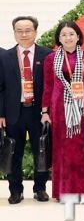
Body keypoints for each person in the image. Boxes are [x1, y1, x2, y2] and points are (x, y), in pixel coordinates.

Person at [41, 21, 84, 201]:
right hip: (60, 109)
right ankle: (64, 191)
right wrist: (44, 112)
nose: (68, 38)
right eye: (64, 34)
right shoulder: (51, 58)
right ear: (59, 38)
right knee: (63, 150)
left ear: (78, 36)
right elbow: (48, 86)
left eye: (71, 34)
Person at [0, 16, 52, 204]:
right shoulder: (4, 56)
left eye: (28, 30)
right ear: (14, 33)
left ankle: (40, 188)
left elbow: (51, 86)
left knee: (42, 150)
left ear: (35, 32)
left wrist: (48, 111)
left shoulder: (47, 55)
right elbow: (1, 87)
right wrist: (1, 113)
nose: (24, 34)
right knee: (14, 152)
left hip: (39, 112)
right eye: (19, 30)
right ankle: (15, 190)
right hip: (15, 112)